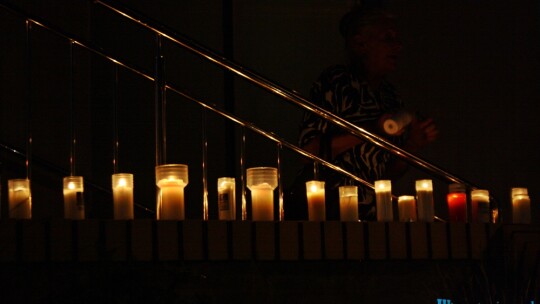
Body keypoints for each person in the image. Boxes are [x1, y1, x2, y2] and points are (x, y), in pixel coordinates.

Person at [285, 4, 438, 220]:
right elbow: (308, 152)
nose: (398, 46)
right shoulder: (336, 82)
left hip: (368, 214)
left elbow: (386, 175)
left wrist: (412, 144)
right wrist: (372, 130)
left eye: (397, 39)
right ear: (360, 44)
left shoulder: (390, 96)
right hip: (326, 211)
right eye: (388, 38)